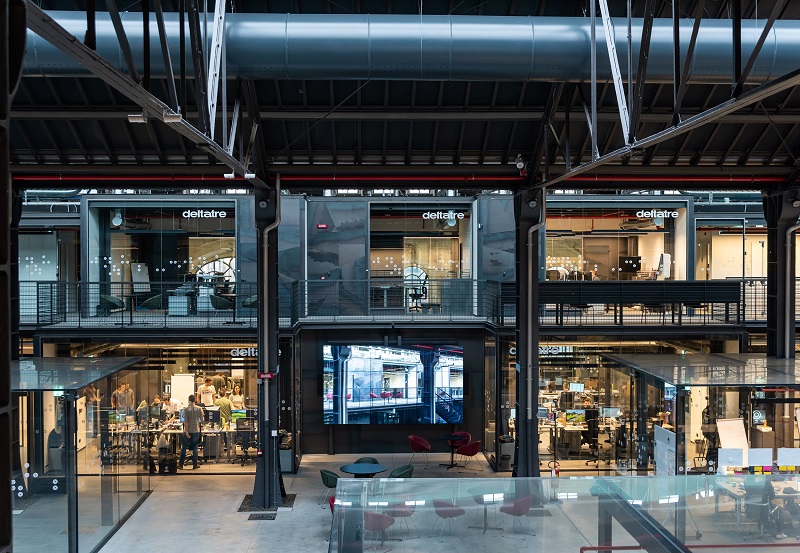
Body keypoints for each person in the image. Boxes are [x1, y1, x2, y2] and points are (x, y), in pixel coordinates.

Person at [178, 395, 204, 470]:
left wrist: (186, 431)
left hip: (188, 431)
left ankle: (180, 464)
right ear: (195, 400)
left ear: (189, 400)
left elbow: (186, 421)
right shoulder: (199, 408)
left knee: (184, 448)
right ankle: (195, 464)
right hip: (196, 430)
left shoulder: (186, 409)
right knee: (195, 448)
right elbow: (202, 420)